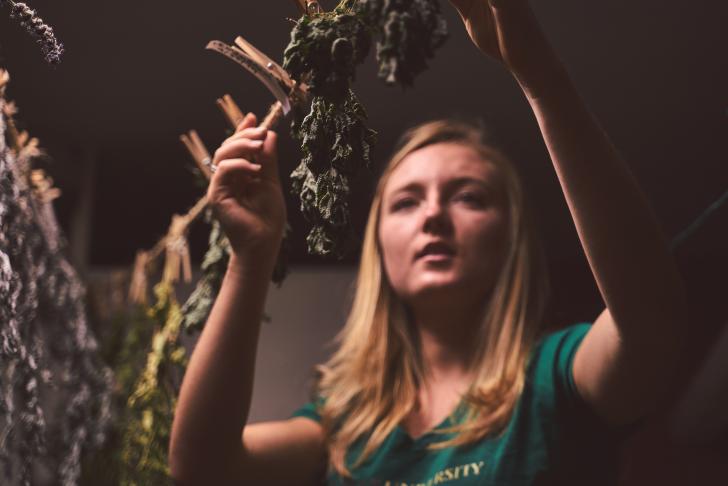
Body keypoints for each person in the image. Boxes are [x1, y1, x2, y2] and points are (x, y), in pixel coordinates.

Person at [169, 0, 687, 484]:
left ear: (511, 238)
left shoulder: (558, 377)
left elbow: (652, 327)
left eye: (468, 197)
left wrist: (539, 78)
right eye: (406, 202)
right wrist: (251, 256)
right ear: (378, 246)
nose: (434, 215)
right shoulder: (344, 428)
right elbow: (201, 469)